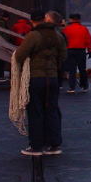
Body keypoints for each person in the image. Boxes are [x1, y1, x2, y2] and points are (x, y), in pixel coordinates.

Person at [14, 10, 67, 156]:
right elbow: (63, 55)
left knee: (35, 111)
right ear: (44, 19)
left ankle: (36, 146)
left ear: (32, 21)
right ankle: (54, 144)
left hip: (36, 78)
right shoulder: (58, 35)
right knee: (52, 110)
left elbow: (19, 56)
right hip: (53, 79)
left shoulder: (33, 35)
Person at [62, 13, 91, 94]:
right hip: (81, 51)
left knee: (72, 70)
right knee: (82, 69)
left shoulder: (66, 29)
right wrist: (90, 51)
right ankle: (84, 86)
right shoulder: (84, 29)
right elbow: (88, 40)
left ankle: (72, 88)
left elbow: (63, 41)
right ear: (79, 19)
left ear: (70, 19)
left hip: (70, 51)